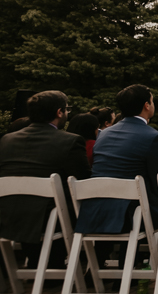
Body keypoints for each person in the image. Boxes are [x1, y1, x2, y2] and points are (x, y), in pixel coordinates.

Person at [77, 84, 158, 278]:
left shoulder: (104, 135)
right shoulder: (153, 137)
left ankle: (125, 272)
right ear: (146, 106)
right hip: (132, 214)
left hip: (96, 210)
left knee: (139, 205)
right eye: (152, 100)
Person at [0, 91, 90, 269]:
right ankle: (74, 264)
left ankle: (38, 263)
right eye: (66, 110)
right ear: (59, 112)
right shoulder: (70, 141)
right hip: (48, 219)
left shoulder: (7, 140)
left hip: (6, 215)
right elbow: (82, 183)